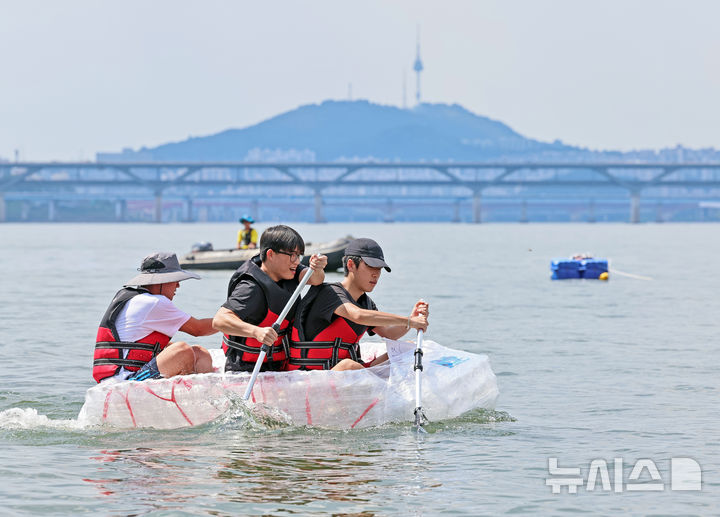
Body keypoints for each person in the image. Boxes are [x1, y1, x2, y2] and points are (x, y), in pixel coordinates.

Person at [286, 237, 428, 371]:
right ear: (351, 265)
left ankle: (375, 386)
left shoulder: (366, 303)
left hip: (350, 372)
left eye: (379, 269)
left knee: (408, 349)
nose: (376, 274)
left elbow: (389, 333)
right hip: (311, 375)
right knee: (349, 366)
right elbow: (357, 315)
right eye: (371, 266)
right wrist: (409, 321)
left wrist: (411, 320)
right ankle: (375, 387)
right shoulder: (329, 293)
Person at [213, 225, 327, 372]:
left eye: (298, 256)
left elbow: (316, 279)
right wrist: (256, 332)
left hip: (278, 362)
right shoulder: (250, 288)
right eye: (292, 255)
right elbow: (219, 320)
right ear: (271, 254)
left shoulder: (291, 271)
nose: (297, 261)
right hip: (247, 367)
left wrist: (317, 268)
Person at [92, 252, 217, 383]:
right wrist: (231, 319)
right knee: (182, 350)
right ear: (161, 281)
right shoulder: (153, 302)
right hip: (124, 381)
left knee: (199, 353)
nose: (178, 285)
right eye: (176, 280)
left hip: (119, 377)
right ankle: (191, 394)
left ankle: (205, 394)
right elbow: (199, 329)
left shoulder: (136, 299)